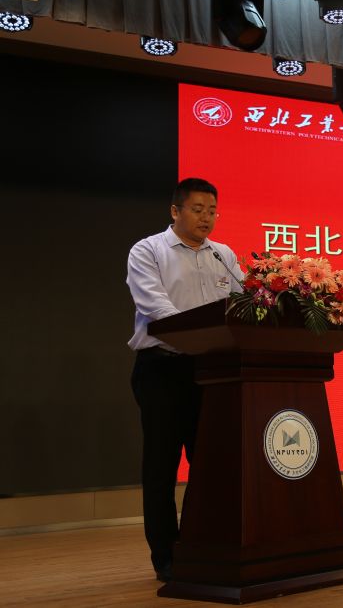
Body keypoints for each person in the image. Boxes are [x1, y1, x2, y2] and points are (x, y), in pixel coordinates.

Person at [126, 178, 243, 582]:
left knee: (209, 463)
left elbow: (246, 302)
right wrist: (202, 336)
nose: (206, 218)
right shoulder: (148, 250)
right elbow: (155, 306)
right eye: (197, 209)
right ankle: (166, 556)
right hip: (163, 369)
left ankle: (201, 542)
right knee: (161, 466)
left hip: (211, 373)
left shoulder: (223, 255)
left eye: (212, 211)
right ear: (175, 211)